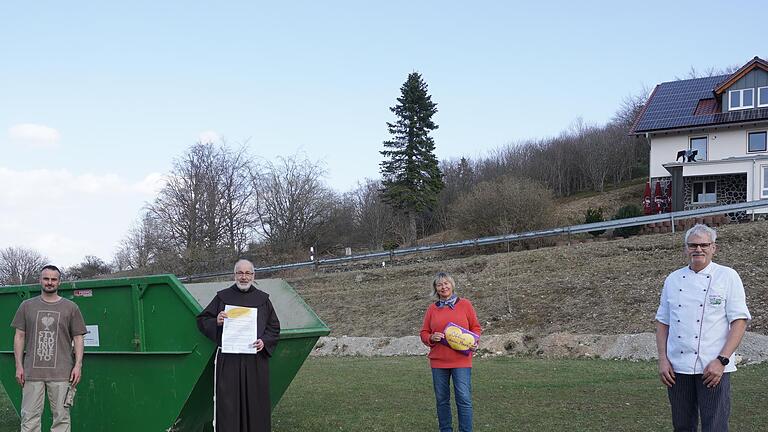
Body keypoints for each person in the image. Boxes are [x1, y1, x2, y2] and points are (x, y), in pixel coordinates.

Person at [655, 224, 751, 431]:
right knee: (682, 425)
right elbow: (663, 322)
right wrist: (663, 360)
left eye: (704, 245)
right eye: (693, 245)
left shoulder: (728, 276)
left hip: (713, 367)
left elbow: (739, 322)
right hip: (677, 368)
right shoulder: (673, 279)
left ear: (713, 248)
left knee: (715, 425)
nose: (698, 249)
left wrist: (722, 360)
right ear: (685, 248)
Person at [196, 259, 281, 432]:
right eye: (240, 273)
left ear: (253, 275)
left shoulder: (263, 300)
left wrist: (264, 341)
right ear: (234, 275)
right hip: (229, 361)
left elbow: (274, 327)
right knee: (229, 405)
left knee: (255, 403)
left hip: (255, 361)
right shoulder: (222, 297)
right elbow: (202, 320)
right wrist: (216, 321)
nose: (244, 277)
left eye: (247, 273)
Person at [11, 265, 87, 432]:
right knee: (29, 419)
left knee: (61, 419)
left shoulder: (70, 307)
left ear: (59, 282)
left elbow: (78, 337)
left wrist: (78, 365)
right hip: (32, 372)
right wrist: (19, 366)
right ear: (40, 280)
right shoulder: (26, 306)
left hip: (61, 373)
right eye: (46, 278)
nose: (50, 282)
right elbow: (19, 336)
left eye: (54, 279)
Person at [420, 272, 482, 432]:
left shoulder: (466, 305)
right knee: (442, 400)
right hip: (438, 362)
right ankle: (445, 429)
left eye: (446, 283)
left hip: (461, 361)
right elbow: (424, 332)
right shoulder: (431, 309)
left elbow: (475, 327)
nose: (443, 287)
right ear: (436, 288)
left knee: (463, 398)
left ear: (452, 285)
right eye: (439, 284)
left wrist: (475, 341)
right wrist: (431, 337)